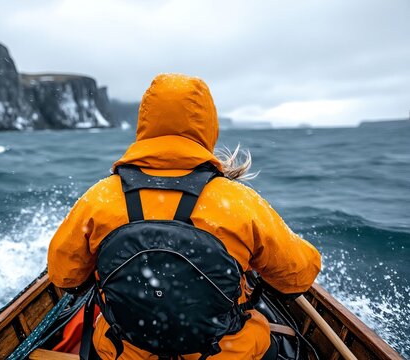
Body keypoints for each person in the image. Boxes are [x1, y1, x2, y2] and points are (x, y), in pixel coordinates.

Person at [48, 73, 321, 360]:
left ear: (144, 125)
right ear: (208, 127)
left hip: (122, 352)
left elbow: (64, 277)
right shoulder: (240, 201)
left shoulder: (100, 198)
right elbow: (298, 278)